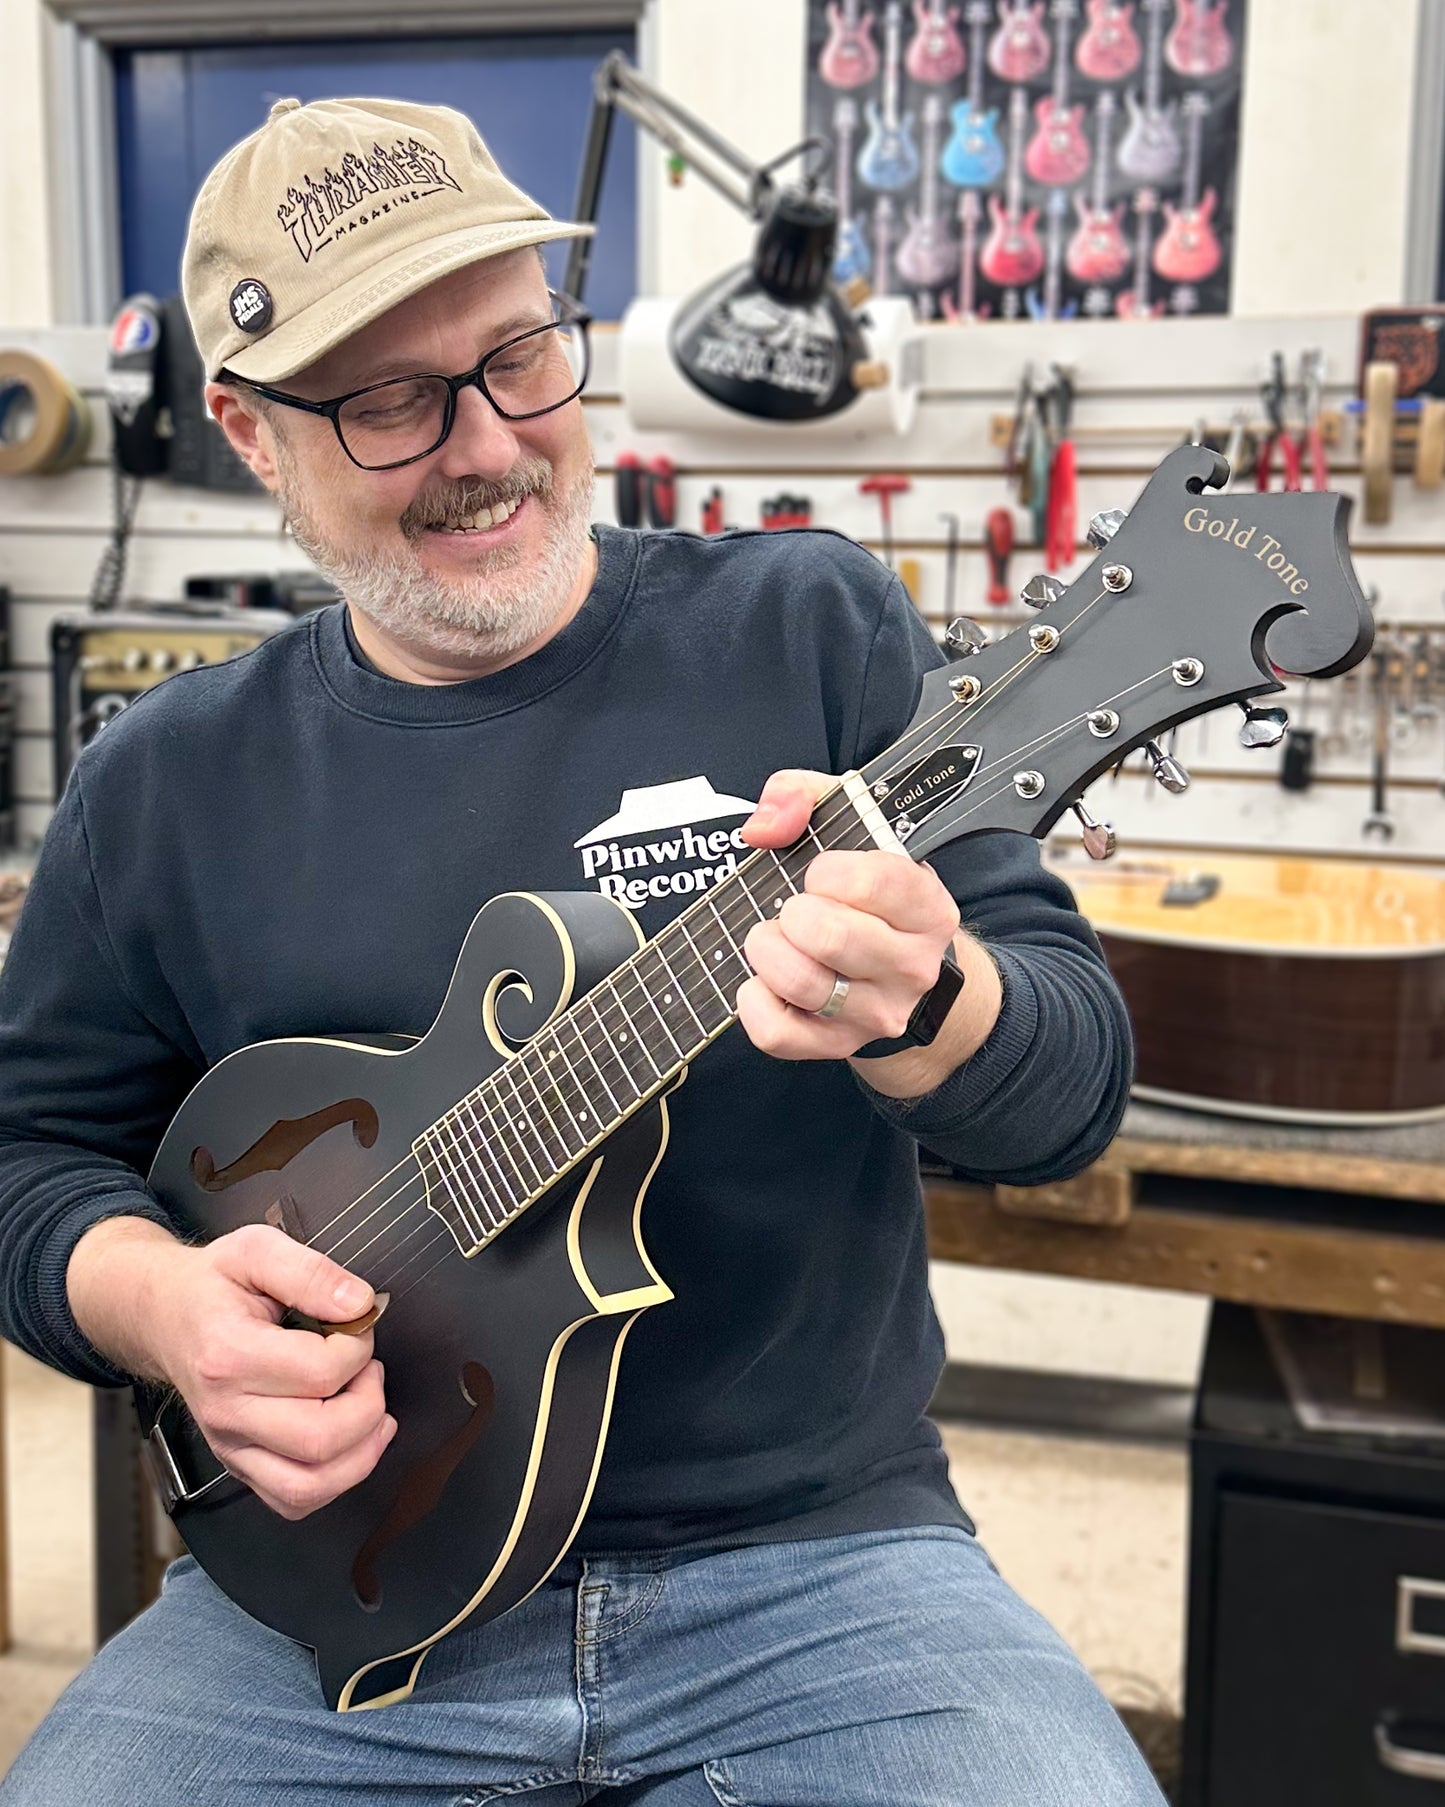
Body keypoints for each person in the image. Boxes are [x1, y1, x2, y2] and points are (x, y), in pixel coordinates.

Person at [0, 96, 1164, 1806]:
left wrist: (936, 1004)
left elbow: (1067, 1091)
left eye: (519, 356)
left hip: (816, 1572)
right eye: (389, 400)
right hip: (323, 1586)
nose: (484, 444)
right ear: (250, 434)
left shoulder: (809, 631)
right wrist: (161, 1302)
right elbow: (29, 1159)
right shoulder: (163, 784)